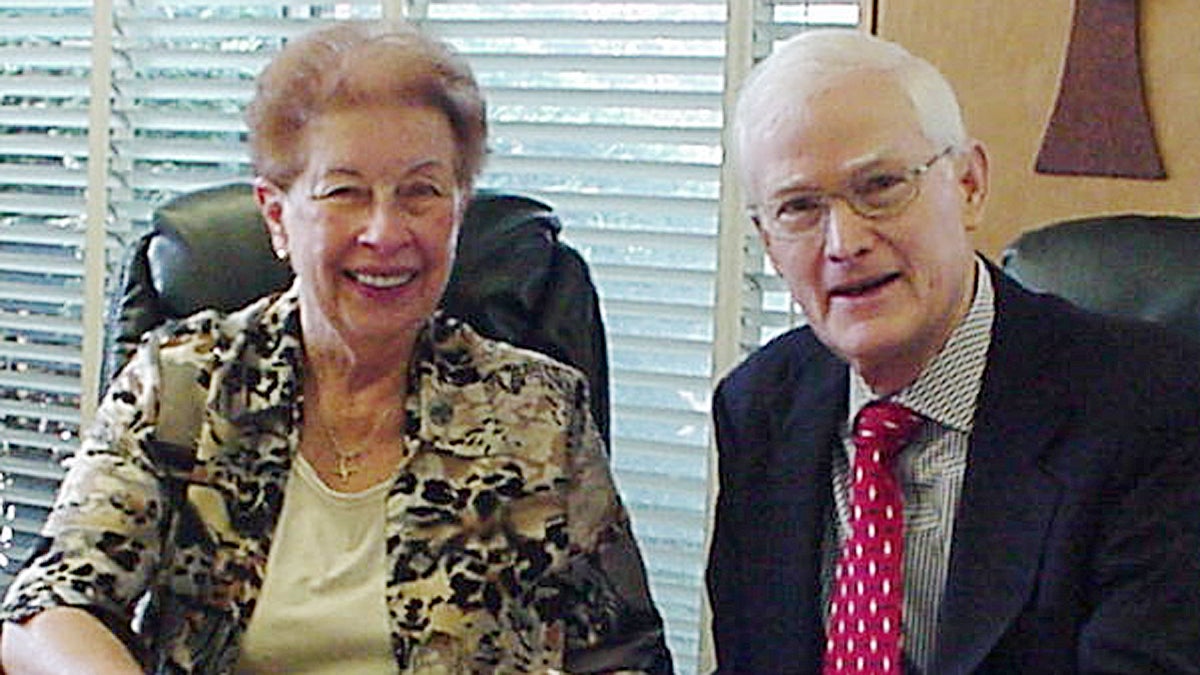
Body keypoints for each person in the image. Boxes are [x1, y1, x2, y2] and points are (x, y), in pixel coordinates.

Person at [0, 20, 672, 674]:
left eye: (421, 192)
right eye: (344, 192)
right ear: (276, 217)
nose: (385, 231)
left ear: (458, 212)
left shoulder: (541, 413)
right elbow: (51, 605)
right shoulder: (183, 386)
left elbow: (622, 655)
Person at [707, 28, 1200, 674]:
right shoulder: (759, 407)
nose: (844, 242)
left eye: (880, 185)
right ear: (768, 244)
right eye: (799, 207)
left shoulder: (1153, 406)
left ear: (968, 184)